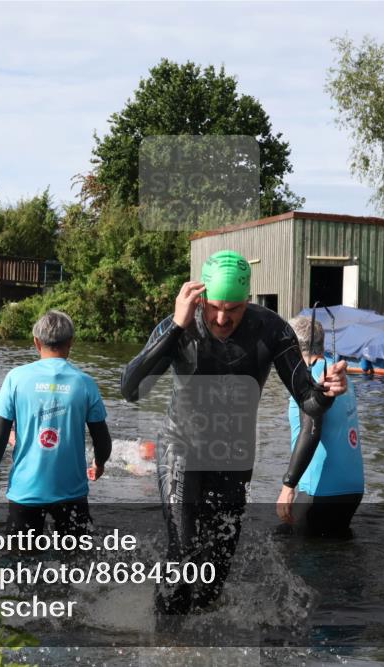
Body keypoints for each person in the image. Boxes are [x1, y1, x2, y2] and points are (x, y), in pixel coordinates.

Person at [120, 250, 348, 615]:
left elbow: (308, 402)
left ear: (248, 302)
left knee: (217, 566)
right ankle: (168, 646)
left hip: (234, 455)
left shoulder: (270, 328)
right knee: (182, 552)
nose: (222, 318)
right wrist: (177, 327)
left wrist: (326, 391)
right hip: (181, 448)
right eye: (214, 307)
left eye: (234, 309)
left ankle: (204, 638)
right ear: (200, 297)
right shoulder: (179, 325)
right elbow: (131, 390)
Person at [0, 310, 112, 537]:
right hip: (71, 491)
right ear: (71, 342)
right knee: (76, 563)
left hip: (26, 490)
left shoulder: (16, 378)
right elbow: (102, 438)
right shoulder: (85, 383)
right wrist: (99, 463)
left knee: (21, 563)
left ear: (36, 342)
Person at [278, 317, 364, 538]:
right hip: (352, 488)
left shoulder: (308, 379)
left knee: (295, 559)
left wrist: (288, 486)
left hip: (320, 488)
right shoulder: (338, 377)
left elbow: (311, 431)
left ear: (292, 346)